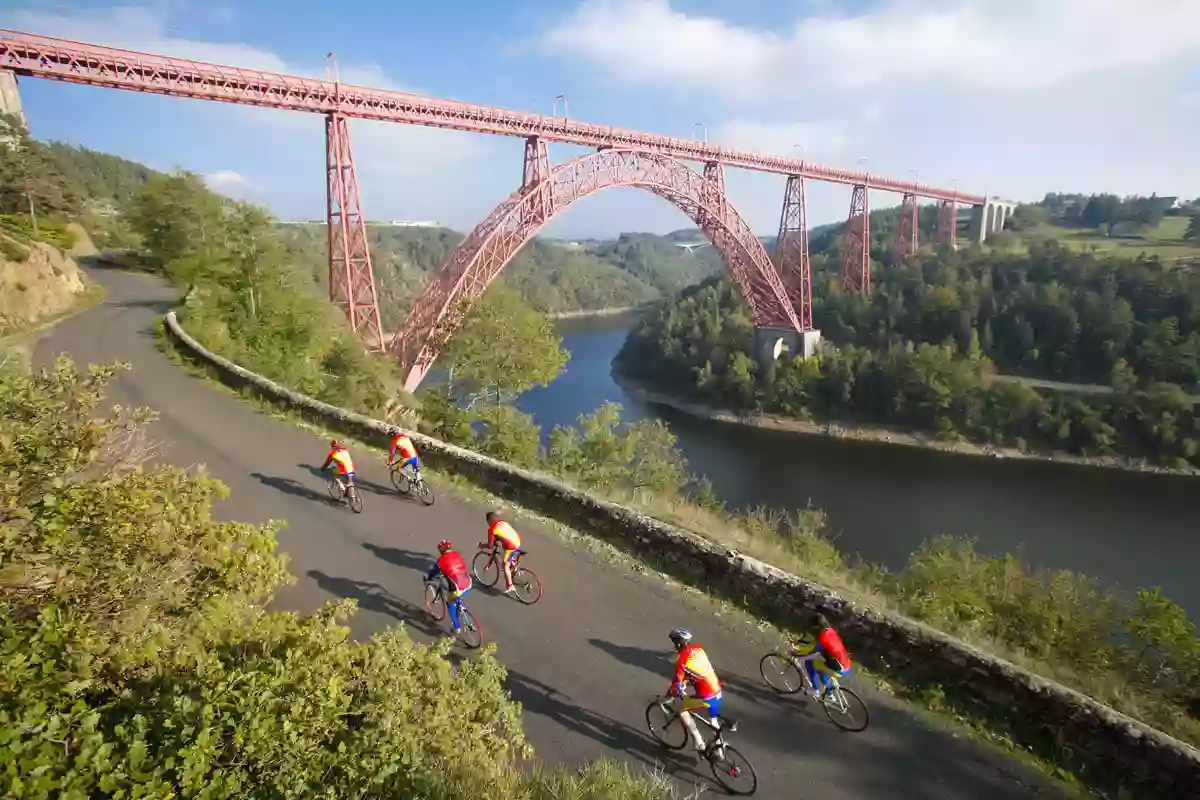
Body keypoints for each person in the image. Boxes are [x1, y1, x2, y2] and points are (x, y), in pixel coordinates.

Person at [666, 627, 723, 754]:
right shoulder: (698, 649)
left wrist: (674, 692)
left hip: (707, 696)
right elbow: (698, 671)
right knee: (713, 721)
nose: (674, 646)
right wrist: (688, 680)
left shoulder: (681, 660)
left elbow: (677, 686)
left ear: (679, 643)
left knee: (680, 708)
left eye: (674, 642)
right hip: (718, 691)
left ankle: (699, 743)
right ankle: (720, 752)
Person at [790, 613, 852, 699]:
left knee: (809, 663)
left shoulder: (824, 638)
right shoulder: (830, 630)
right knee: (821, 668)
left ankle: (815, 690)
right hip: (846, 663)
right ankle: (830, 694)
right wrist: (800, 642)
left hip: (839, 668)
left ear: (817, 627)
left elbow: (813, 653)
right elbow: (817, 645)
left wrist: (796, 654)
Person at [425, 539, 472, 635]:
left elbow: (434, 572)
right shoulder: (457, 554)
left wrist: (429, 578)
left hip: (458, 588)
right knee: (458, 595)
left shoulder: (441, 560)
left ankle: (457, 627)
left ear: (441, 550)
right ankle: (461, 607)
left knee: (450, 602)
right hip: (468, 583)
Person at [480, 510, 522, 595]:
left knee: (505, 565)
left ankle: (510, 586)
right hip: (517, 540)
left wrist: (482, 546)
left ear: (489, 521)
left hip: (511, 546)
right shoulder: (502, 522)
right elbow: (502, 535)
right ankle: (513, 565)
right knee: (505, 550)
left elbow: (490, 546)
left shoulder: (492, 529)